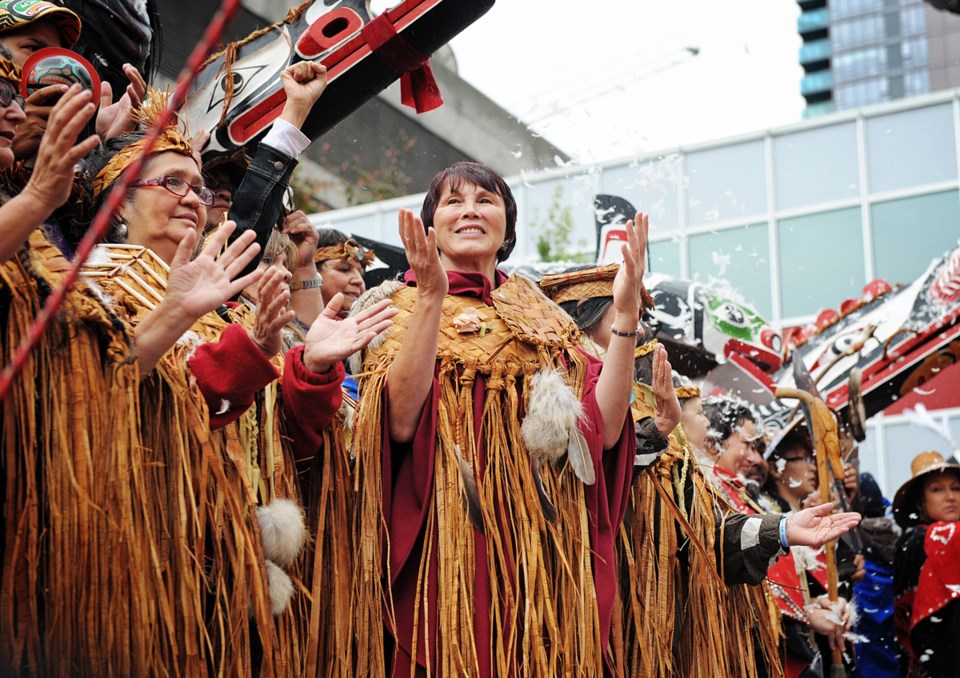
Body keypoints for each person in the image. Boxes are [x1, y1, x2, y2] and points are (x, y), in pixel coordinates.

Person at [347, 161, 641, 675]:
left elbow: (603, 431)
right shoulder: (396, 304)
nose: (470, 211)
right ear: (430, 225)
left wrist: (627, 321)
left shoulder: (543, 313)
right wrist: (433, 297)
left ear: (507, 221)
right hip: (450, 542)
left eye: (485, 200)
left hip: (543, 550)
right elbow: (395, 422)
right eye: (454, 201)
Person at [893, 451, 960, 677]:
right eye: (937, 489)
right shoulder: (916, 543)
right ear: (920, 502)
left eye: (956, 488)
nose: (950, 496)